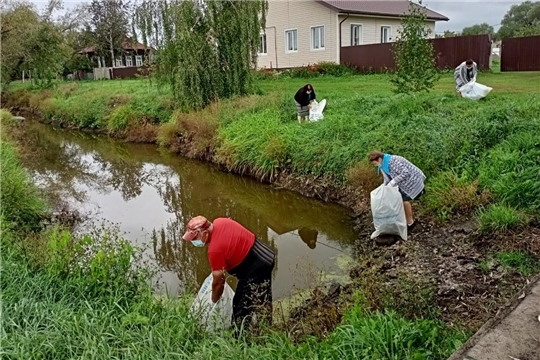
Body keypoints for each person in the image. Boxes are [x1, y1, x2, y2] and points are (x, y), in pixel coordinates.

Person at [182, 216, 275, 332]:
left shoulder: (214, 250)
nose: (193, 241)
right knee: (263, 297)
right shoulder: (220, 221)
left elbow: (218, 282)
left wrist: (213, 301)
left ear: (205, 233)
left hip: (256, 266)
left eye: (195, 238)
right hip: (265, 254)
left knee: (241, 305)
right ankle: (267, 328)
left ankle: (240, 338)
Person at [368, 151, 426, 229]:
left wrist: (393, 182)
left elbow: (405, 172)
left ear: (379, 159)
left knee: (403, 200)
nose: (375, 165)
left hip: (413, 179)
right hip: (403, 183)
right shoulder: (382, 165)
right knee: (398, 199)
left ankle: (410, 223)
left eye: (375, 163)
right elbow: (387, 178)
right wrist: (384, 187)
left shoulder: (392, 161)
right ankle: (405, 220)